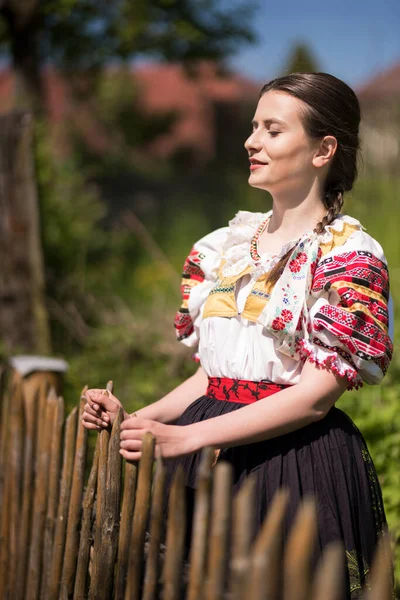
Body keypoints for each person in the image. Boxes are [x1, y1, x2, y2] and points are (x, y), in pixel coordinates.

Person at [82, 72, 394, 598]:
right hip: (207, 454)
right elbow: (216, 374)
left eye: (273, 130)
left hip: (289, 461)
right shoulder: (227, 245)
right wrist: (140, 419)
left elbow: (316, 398)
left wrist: (186, 438)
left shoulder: (347, 256)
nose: (251, 142)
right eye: (254, 127)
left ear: (324, 149)